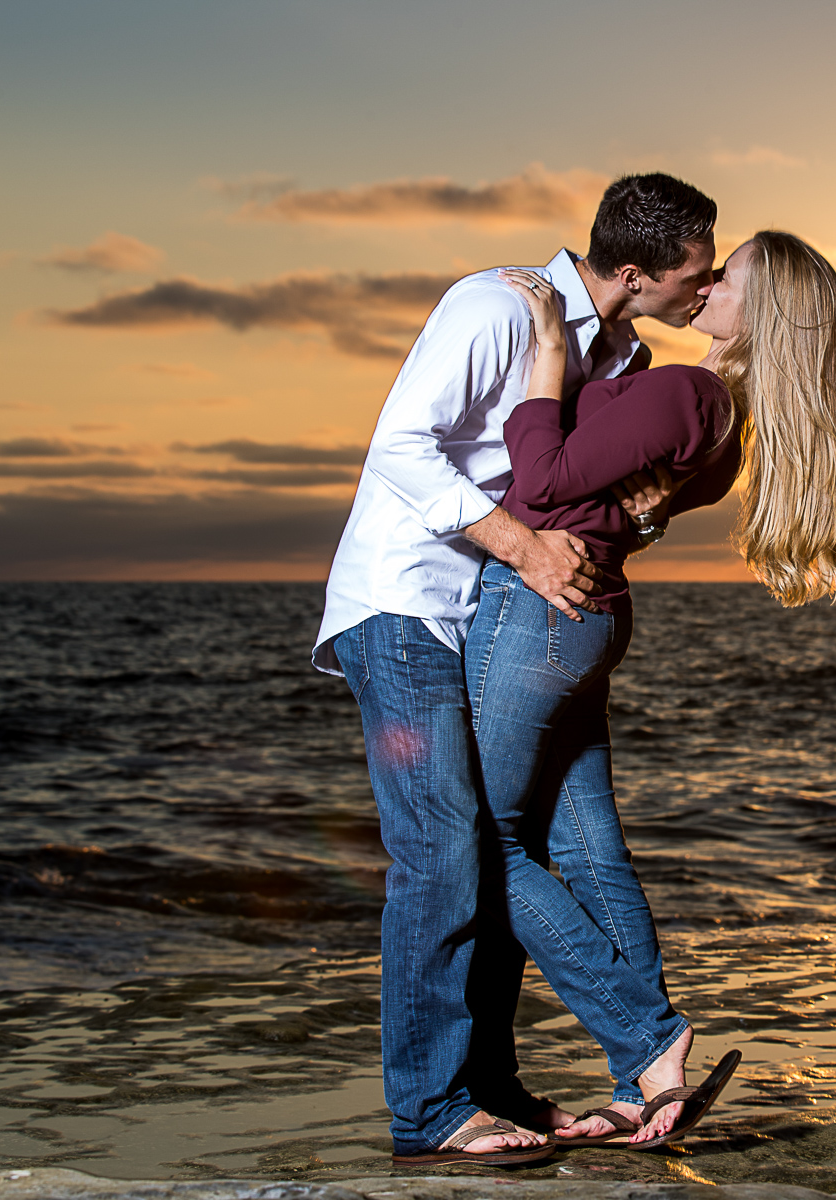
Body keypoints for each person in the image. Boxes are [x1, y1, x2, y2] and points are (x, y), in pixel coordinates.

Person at [312, 174, 719, 1167]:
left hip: (495, 618)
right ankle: (429, 1113)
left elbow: (577, 500)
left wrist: (637, 514)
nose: (705, 291)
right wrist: (523, 548)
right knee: (445, 855)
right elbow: (402, 448)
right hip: (404, 605)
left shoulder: (620, 354)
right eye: (695, 275)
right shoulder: (495, 307)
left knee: (513, 842)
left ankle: (488, 1090)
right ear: (634, 271)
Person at [465, 229, 836, 1149]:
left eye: (730, 275)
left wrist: (548, 353)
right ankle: (647, 1080)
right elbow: (616, 502)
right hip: (587, 617)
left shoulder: (690, 392)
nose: (711, 282)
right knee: (585, 845)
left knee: (485, 843)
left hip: (540, 612)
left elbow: (541, 478)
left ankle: (646, 1037)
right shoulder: (724, 423)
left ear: (759, 311)